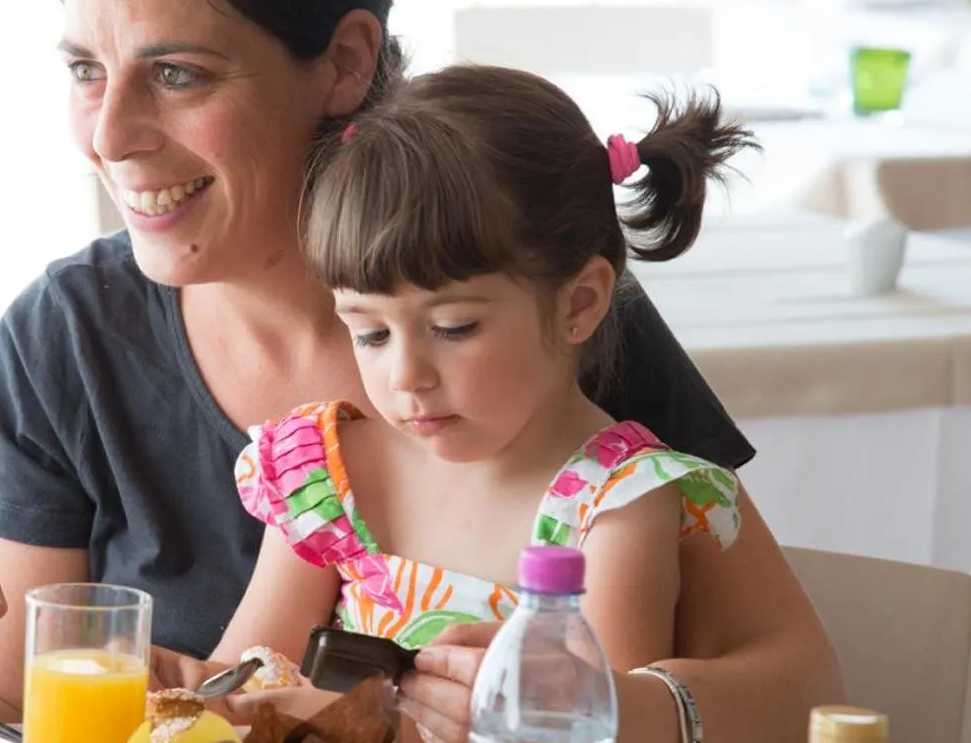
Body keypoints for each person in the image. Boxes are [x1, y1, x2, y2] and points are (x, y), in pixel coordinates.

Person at [0, 0, 844, 743]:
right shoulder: (71, 336)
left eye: (178, 73)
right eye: (84, 69)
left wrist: (618, 718)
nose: (108, 137)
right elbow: (6, 696)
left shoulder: (544, 321)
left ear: (345, 62)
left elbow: (799, 690)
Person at [213, 66, 747, 685]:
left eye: (454, 328)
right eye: (371, 333)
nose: (406, 375)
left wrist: (327, 717)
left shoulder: (616, 508)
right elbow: (243, 680)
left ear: (579, 303)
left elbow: (593, 740)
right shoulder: (328, 481)